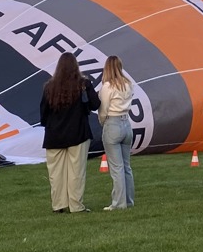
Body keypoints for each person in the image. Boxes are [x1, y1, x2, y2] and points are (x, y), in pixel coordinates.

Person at [39, 52, 100, 213]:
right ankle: (76, 205)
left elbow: (43, 114)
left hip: (54, 135)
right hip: (78, 133)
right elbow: (95, 104)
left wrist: (50, 125)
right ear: (76, 66)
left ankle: (58, 205)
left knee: (56, 173)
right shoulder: (83, 84)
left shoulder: (49, 87)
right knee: (76, 172)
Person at [99, 55, 136, 210]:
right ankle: (128, 200)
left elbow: (103, 109)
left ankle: (118, 203)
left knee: (116, 168)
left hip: (112, 123)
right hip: (126, 123)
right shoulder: (128, 84)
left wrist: (103, 122)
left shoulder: (107, 86)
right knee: (126, 166)